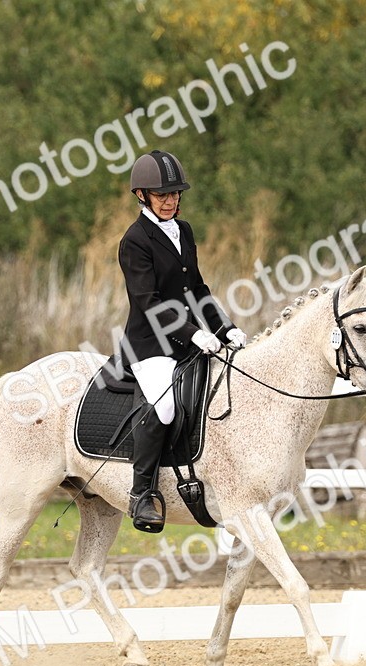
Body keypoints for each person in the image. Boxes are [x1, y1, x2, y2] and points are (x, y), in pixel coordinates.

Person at [116, 149, 247, 532]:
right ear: (142, 195)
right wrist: (194, 333)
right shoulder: (134, 241)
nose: (171, 200)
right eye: (163, 195)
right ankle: (142, 493)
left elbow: (198, 289)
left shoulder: (184, 230)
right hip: (150, 344)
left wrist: (225, 328)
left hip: (191, 340)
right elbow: (148, 302)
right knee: (164, 408)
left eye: (175, 194)